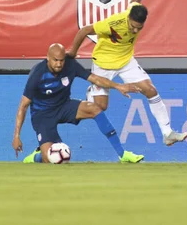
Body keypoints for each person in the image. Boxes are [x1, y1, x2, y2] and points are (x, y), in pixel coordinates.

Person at [66, 0, 187, 147]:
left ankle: (167, 133)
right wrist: (73, 52)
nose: (134, 29)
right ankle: (90, 92)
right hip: (104, 63)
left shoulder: (135, 11)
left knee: (150, 90)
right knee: (100, 107)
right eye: (132, 26)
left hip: (125, 60)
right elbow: (85, 30)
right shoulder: (113, 23)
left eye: (138, 28)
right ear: (128, 19)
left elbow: (134, 0)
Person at [13, 43, 144, 164]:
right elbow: (23, 106)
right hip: (42, 115)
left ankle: (122, 154)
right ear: (48, 58)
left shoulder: (70, 65)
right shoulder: (38, 74)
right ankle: (36, 156)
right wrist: (17, 136)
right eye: (55, 60)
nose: (59, 64)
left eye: (61, 60)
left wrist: (118, 86)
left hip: (63, 106)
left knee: (94, 108)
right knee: (50, 158)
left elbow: (95, 79)